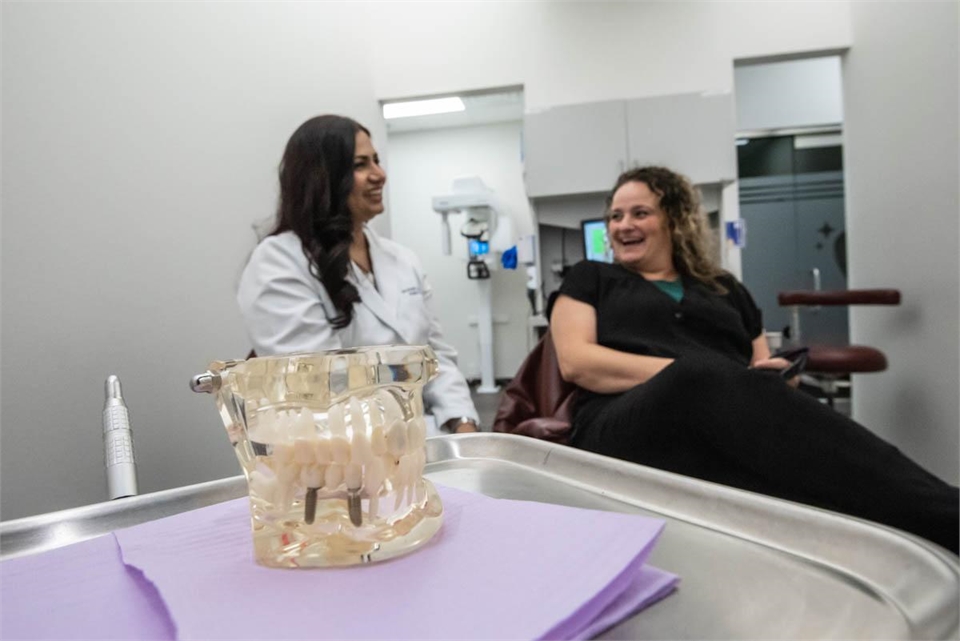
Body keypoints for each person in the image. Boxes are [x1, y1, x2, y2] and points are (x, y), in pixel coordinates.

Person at [551, 165, 959, 553]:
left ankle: (924, 529)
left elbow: (757, 368)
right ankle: (948, 513)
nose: (623, 225)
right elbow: (578, 362)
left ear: (675, 220)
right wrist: (701, 376)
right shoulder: (592, 278)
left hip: (719, 420)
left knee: (818, 483)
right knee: (700, 377)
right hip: (621, 425)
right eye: (616, 216)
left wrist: (777, 378)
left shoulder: (724, 287)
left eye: (640, 213)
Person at [237, 115, 480, 435]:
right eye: (361, 164)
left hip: (419, 443)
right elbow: (319, 390)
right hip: (337, 457)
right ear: (322, 177)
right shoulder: (278, 262)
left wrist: (463, 425)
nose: (379, 175)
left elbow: (437, 359)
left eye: (376, 161)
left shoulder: (401, 259)